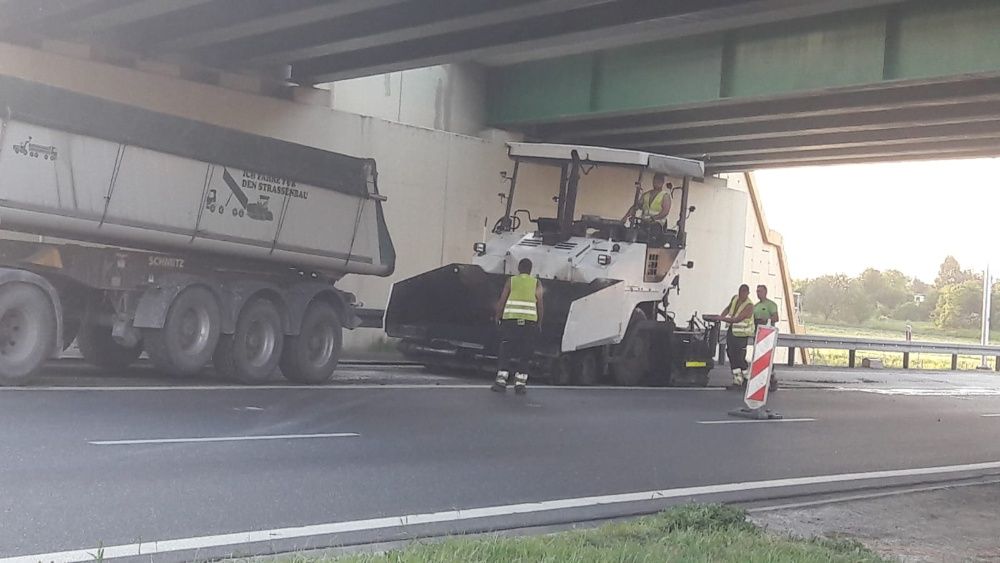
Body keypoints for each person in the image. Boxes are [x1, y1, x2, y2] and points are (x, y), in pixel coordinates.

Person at [492, 258, 544, 395]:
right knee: (525, 352)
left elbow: (502, 300)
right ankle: (520, 384)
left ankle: (501, 381)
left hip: (511, 321)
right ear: (530, 269)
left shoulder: (511, 281)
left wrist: (497, 316)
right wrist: (539, 322)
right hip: (529, 323)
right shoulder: (536, 283)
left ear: (519, 268)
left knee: (506, 349)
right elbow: (540, 304)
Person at [719, 284, 754, 388]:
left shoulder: (749, 305)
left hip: (742, 334)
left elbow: (737, 319)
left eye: (743, 293)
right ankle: (737, 379)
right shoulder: (735, 298)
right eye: (740, 292)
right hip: (732, 330)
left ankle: (746, 378)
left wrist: (721, 319)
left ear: (747, 293)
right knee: (731, 353)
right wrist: (721, 316)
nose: (741, 295)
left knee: (740, 356)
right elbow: (728, 308)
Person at [754, 284, 780, 392]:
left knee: (767, 357)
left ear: (765, 292)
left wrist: (766, 319)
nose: (758, 293)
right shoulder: (756, 306)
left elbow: (776, 317)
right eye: (757, 291)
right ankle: (760, 380)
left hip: (768, 334)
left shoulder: (771, 305)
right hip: (758, 334)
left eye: (760, 291)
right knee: (759, 357)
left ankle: (772, 379)